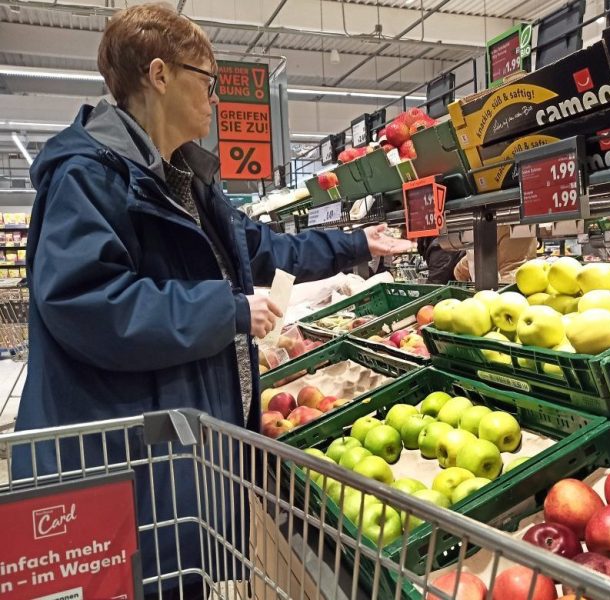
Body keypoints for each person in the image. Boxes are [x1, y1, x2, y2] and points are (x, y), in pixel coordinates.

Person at [11, 4, 412, 598]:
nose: (216, 98)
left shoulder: (184, 181)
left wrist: (355, 242)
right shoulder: (88, 178)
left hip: (173, 453)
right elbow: (87, 303)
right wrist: (223, 312)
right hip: (119, 463)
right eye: (208, 80)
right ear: (160, 75)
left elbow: (260, 247)